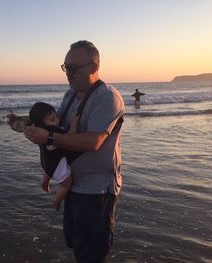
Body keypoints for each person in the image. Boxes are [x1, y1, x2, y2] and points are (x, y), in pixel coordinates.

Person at [24, 40, 124, 263]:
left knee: (91, 252)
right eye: (65, 67)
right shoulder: (70, 95)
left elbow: (93, 142)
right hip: (72, 185)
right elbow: (54, 127)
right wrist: (31, 128)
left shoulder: (107, 98)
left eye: (74, 68)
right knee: (75, 243)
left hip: (95, 190)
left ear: (94, 67)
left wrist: (47, 137)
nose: (68, 73)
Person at [28, 101, 79, 211]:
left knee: (48, 168)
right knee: (67, 184)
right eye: (52, 119)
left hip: (46, 162)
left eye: (56, 116)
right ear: (42, 123)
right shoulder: (53, 131)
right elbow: (69, 138)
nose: (57, 120)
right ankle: (56, 200)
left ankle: (45, 182)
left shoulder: (38, 130)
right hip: (57, 164)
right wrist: (73, 124)